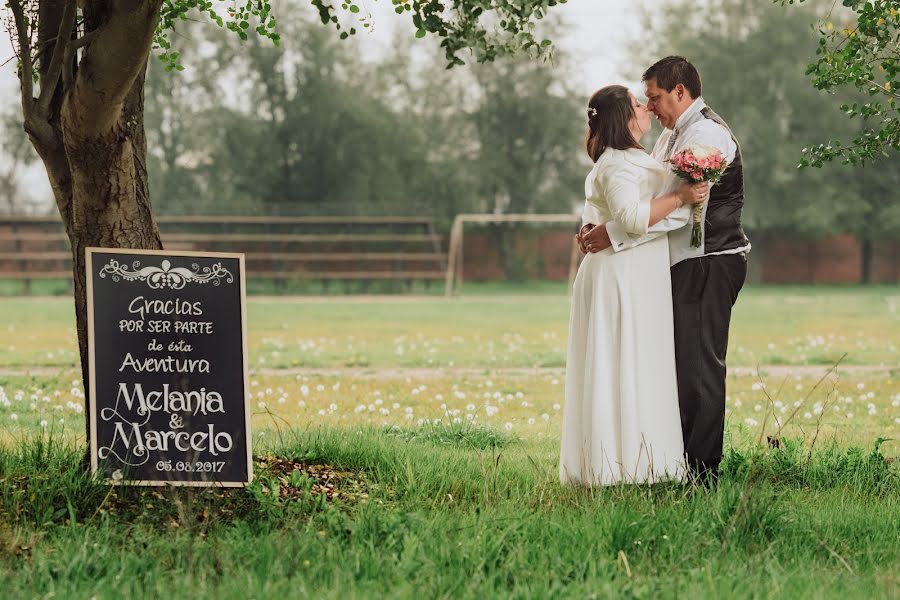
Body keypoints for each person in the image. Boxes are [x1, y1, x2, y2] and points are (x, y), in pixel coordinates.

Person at [579, 56, 751, 483]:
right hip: (679, 265)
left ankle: (701, 476)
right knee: (677, 370)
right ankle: (668, 465)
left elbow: (684, 206)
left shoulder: (707, 135)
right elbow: (645, 198)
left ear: (680, 91)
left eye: (655, 98)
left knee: (699, 372)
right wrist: (598, 224)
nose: (650, 107)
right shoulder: (669, 138)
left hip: (709, 261)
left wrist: (612, 233)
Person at [558, 84, 707, 487]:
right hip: (622, 275)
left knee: (638, 362)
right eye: (637, 104)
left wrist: (597, 228)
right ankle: (616, 466)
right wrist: (679, 198)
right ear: (622, 117)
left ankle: (641, 462)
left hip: (635, 269)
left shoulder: (629, 158)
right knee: (621, 361)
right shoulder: (618, 163)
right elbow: (632, 217)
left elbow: (603, 217)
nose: (645, 108)